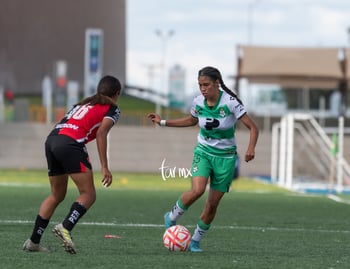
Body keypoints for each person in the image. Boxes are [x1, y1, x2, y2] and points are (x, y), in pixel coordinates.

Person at [148, 66, 259, 252]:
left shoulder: (230, 103)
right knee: (198, 190)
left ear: (217, 84)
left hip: (225, 158)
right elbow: (191, 120)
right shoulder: (198, 101)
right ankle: (171, 217)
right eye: (200, 85)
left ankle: (195, 241)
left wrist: (250, 148)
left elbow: (253, 127)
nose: (203, 89)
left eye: (206, 85)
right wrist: (163, 122)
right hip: (203, 152)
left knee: (212, 203)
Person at [23, 75, 122, 254]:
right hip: (70, 143)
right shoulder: (112, 108)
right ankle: (65, 227)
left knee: (57, 194)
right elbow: (101, 134)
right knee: (89, 194)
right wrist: (105, 166)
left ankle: (33, 242)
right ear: (117, 93)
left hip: (52, 140)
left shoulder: (83, 103)